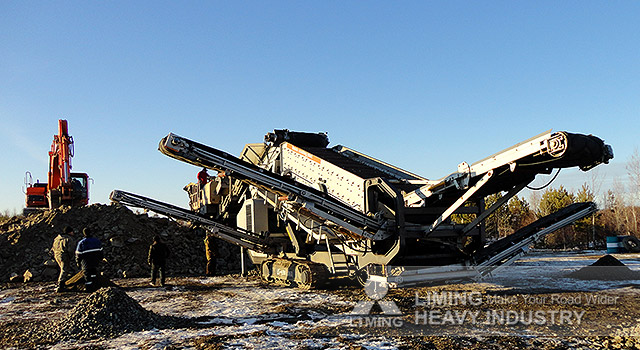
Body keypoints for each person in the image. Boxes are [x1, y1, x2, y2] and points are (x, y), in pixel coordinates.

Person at [75, 227, 103, 292]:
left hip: (86, 262)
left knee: (87, 276)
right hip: (95, 261)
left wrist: (78, 262)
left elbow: (78, 254)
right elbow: (101, 251)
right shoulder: (96, 241)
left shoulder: (82, 243)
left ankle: (89, 289)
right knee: (94, 273)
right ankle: (95, 287)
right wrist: (100, 259)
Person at [52, 226, 76, 292]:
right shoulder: (69, 239)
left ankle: (62, 283)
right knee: (64, 270)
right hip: (64, 255)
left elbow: (53, 248)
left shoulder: (57, 238)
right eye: (72, 231)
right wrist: (72, 257)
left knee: (62, 269)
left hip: (56, 255)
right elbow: (70, 250)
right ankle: (60, 285)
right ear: (69, 232)